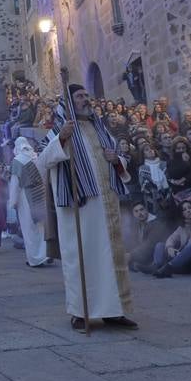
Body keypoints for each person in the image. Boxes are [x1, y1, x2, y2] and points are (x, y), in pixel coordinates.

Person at [37, 84, 137, 332]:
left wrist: (117, 160)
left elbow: (116, 157)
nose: (85, 100)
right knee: (80, 258)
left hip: (106, 205)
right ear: (69, 102)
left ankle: (114, 311)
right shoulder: (62, 128)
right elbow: (42, 161)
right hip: (79, 207)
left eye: (86, 96)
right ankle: (80, 312)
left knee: (110, 258)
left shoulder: (100, 127)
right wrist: (61, 137)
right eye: (79, 96)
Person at [7, 138, 49, 267]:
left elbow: (15, 184)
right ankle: (45, 255)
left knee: (28, 229)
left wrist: (12, 202)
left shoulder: (17, 160)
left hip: (25, 197)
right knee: (41, 227)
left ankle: (35, 259)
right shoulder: (36, 156)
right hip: (41, 195)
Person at [126, 201, 173, 273]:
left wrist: (131, 255)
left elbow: (150, 244)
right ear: (133, 214)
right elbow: (133, 241)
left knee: (158, 245)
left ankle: (153, 266)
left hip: (159, 253)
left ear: (146, 210)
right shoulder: (137, 225)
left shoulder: (155, 223)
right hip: (145, 254)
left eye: (142, 210)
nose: (139, 213)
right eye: (136, 211)